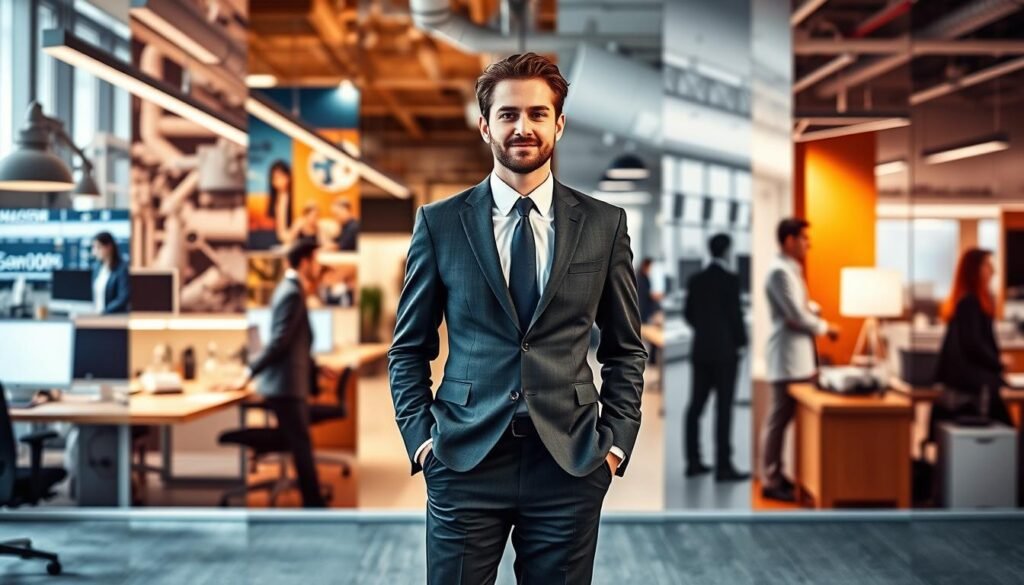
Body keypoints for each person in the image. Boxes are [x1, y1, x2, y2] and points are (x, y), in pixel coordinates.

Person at [388, 53, 646, 584]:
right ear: (485, 126)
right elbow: (409, 349)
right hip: (464, 457)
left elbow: (626, 349)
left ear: (559, 123)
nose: (522, 127)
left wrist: (614, 445)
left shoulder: (604, 225)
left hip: (570, 461)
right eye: (507, 115)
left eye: (536, 113)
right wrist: (423, 442)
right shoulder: (439, 224)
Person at [229, 241, 338, 508]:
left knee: (301, 444)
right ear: (303, 262)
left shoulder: (294, 291)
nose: (317, 266)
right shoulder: (290, 292)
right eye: (315, 260)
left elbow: (295, 341)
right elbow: (279, 343)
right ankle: (315, 507)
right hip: (285, 385)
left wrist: (314, 366)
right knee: (300, 445)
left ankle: (314, 504)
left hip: (290, 382)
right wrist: (249, 371)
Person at [761, 218, 839, 502]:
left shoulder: (791, 271)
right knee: (778, 422)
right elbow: (795, 317)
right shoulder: (779, 273)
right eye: (804, 238)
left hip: (798, 360)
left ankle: (781, 475)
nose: (809, 244)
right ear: (790, 240)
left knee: (786, 421)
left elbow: (801, 309)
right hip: (787, 360)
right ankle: (771, 478)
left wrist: (812, 311)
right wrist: (826, 328)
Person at [683, 233, 749, 482]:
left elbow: (689, 314)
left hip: (700, 351)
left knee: (695, 408)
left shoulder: (696, 280)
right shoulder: (731, 280)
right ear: (727, 251)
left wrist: (705, 331)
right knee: (723, 409)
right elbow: (735, 316)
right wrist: (741, 342)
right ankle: (723, 467)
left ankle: (693, 462)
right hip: (725, 353)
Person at [933, 248, 1013, 430]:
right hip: (974, 387)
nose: (993, 271)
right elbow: (973, 345)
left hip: (976, 383)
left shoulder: (975, 301)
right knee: (1009, 431)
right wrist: (998, 363)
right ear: (974, 270)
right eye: (987, 265)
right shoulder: (969, 302)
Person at [90, 232, 129, 314]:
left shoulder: (122, 268)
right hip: (97, 317)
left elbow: (123, 298)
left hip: (114, 318)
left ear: (109, 247)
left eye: (98, 247)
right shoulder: (97, 268)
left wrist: (104, 312)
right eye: (94, 247)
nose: (94, 252)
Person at [267, 161, 294, 245]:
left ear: (288, 176)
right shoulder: (275, 198)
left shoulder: (292, 197)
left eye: (280, 176)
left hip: (291, 239)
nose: (277, 181)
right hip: (279, 240)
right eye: (274, 178)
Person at [637, 257, 662, 324]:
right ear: (645, 266)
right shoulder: (640, 279)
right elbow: (644, 295)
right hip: (642, 310)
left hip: (643, 310)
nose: (650, 269)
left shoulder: (644, 277)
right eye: (650, 267)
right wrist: (654, 297)